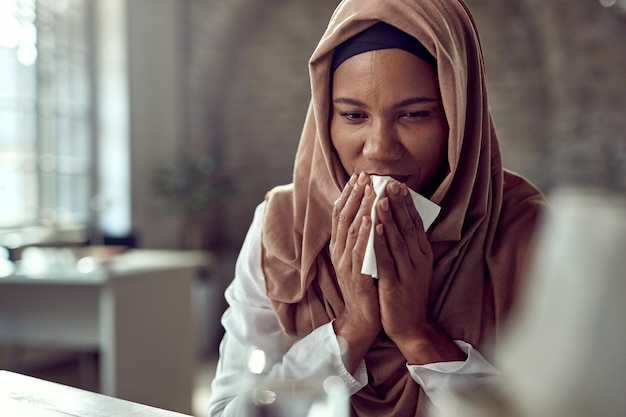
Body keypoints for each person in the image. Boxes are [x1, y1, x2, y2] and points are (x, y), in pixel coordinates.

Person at [208, 0, 547, 416]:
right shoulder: (284, 228)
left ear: (461, 117)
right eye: (352, 115)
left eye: (415, 114)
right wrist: (352, 328)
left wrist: (417, 333)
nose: (380, 149)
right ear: (323, 119)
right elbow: (229, 409)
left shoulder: (525, 231)